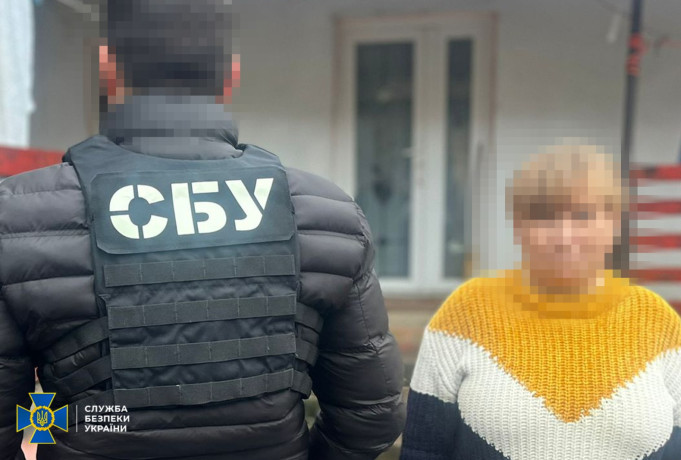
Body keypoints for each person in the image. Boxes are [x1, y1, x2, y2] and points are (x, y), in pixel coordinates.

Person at [0, 1, 405, 459]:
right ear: (230, 75)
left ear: (108, 70)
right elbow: (372, 414)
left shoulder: (17, 216)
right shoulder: (327, 213)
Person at [400, 145, 681, 460]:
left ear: (613, 226)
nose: (564, 236)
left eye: (584, 216)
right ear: (519, 226)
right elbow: (423, 449)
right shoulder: (466, 312)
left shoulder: (656, 320)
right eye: (545, 216)